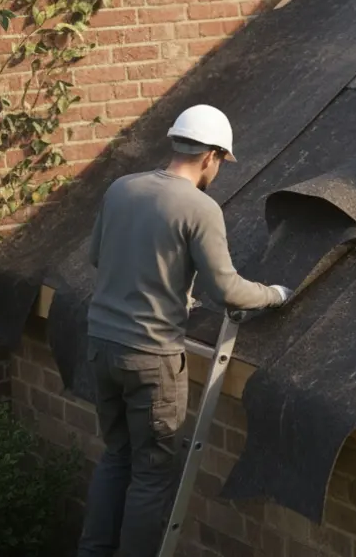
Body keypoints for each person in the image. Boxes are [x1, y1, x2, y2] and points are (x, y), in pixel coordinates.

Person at [77, 104, 295, 557]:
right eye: (221, 162)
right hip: (151, 359)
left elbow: (98, 257)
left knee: (116, 455)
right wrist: (275, 294)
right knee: (152, 473)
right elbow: (228, 290)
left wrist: (168, 284)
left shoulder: (122, 189)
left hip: (100, 345)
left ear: (177, 142)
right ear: (211, 156)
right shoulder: (200, 207)